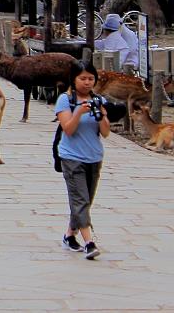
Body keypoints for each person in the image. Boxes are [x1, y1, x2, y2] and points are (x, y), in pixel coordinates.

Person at [55, 61, 110, 260]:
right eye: (83, 79)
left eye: (90, 79)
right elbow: (68, 129)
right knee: (80, 200)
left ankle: (69, 236)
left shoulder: (98, 100)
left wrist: (102, 115)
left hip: (94, 157)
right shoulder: (65, 100)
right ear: (74, 79)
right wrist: (79, 112)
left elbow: (105, 133)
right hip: (72, 157)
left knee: (85, 202)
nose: (87, 83)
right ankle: (89, 243)